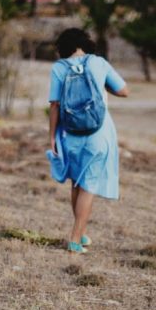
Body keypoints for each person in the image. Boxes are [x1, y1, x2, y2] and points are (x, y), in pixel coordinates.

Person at [47, 28, 129, 253]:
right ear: (84, 43)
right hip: (98, 133)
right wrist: (103, 86)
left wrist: (52, 136)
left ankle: (81, 234)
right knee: (89, 185)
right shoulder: (99, 63)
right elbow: (124, 91)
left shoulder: (59, 68)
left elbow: (54, 105)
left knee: (77, 182)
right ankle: (75, 239)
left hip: (69, 133)